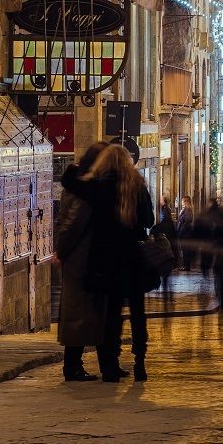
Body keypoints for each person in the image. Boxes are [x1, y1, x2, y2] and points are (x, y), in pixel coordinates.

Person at [69, 143, 155, 382]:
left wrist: (78, 167)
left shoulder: (98, 187)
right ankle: (140, 363)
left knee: (111, 315)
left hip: (106, 260)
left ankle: (110, 367)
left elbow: (70, 181)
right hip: (133, 259)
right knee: (138, 313)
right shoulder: (138, 187)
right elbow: (149, 220)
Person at [54, 142, 108, 381]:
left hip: (81, 256)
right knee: (77, 315)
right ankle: (72, 367)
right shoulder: (83, 189)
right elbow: (71, 224)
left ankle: (77, 365)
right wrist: (63, 252)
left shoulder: (80, 185)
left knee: (82, 314)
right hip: (80, 258)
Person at [176, 195, 195, 271]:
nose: (181, 202)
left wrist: (181, 230)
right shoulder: (186, 209)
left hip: (185, 233)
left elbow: (187, 221)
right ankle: (185, 266)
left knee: (186, 250)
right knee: (185, 250)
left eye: (182, 200)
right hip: (185, 233)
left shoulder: (187, 209)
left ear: (185, 201)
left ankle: (186, 266)